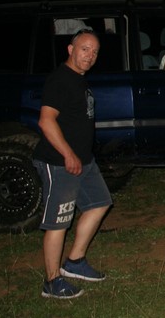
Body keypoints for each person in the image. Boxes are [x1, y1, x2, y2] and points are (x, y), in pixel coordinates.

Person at [32, 29, 113, 299]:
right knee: (59, 221)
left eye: (95, 52)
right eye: (84, 49)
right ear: (70, 49)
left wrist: (80, 155)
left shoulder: (79, 79)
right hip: (60, 162)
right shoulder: (60, 80)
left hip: (84, 161)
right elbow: (46, 121)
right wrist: (68, 154)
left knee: (100, 203)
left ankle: (75, 262)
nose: (90, 55)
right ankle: (51, 281)